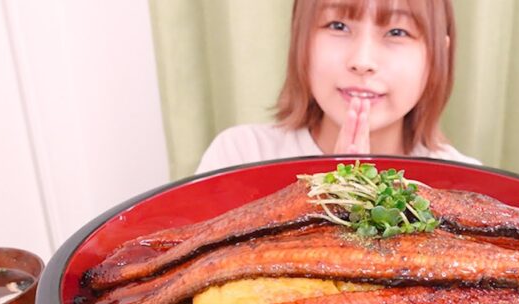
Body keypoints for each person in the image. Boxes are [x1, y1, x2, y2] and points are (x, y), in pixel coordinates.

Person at [196, 0, 479, 174]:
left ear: (436, 57)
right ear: (300, 38)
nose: (362, 61)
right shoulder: (241, 156)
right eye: (338, 26)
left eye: (397, 32)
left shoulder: (467, 185)